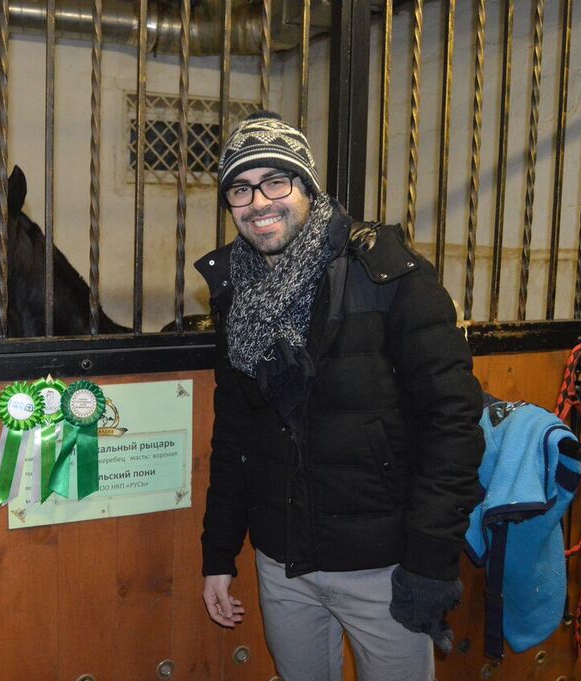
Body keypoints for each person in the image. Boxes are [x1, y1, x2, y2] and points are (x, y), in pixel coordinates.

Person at [196, 111, 484, 681]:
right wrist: (218, 554)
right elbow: (235, 436)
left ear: (306, 186)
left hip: (384, 566)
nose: (259, 202)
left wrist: (429, 561)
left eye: (275, 182)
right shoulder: (235, 293)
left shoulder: (390, 276)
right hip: (283, 564)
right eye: (240, 189)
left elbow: (452, 423)